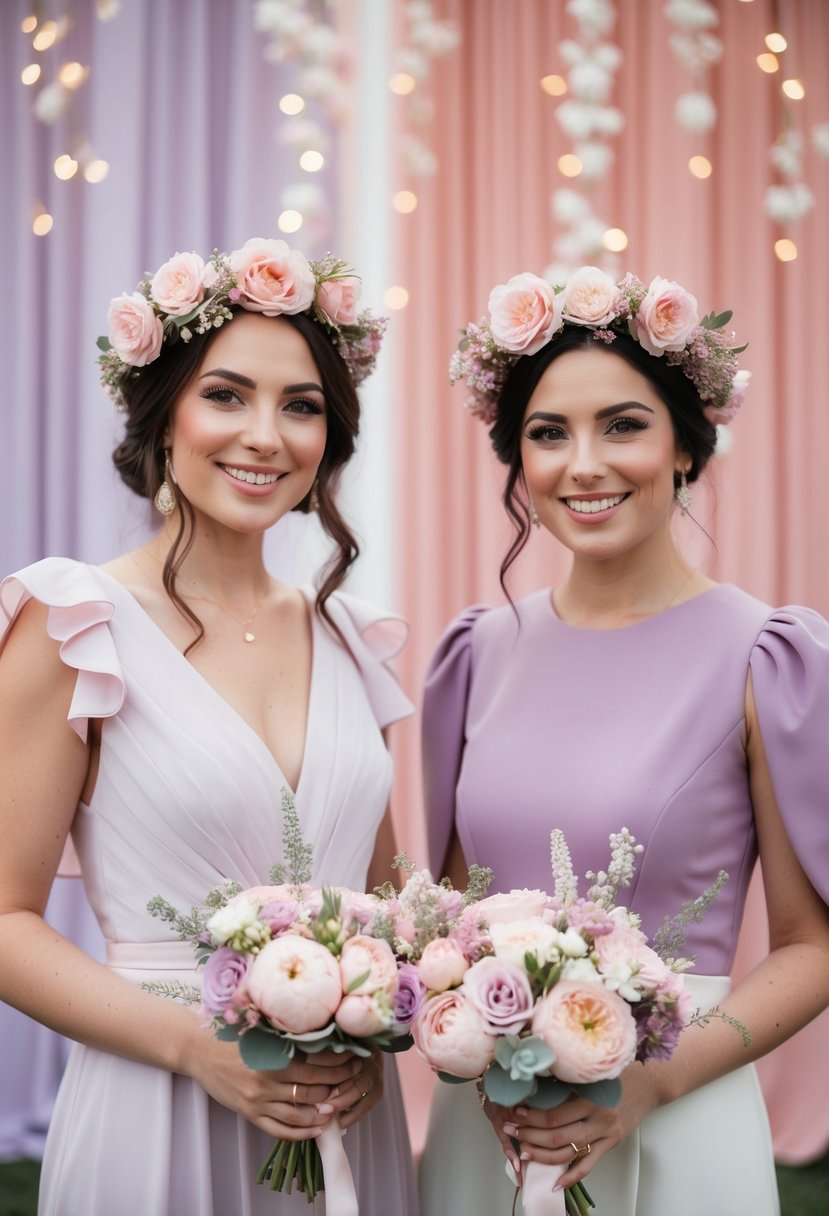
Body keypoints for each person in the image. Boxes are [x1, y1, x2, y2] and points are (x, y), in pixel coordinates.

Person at [0, 239, 418, 1215]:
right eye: (226, 395)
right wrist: (200, 1046)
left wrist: (380, 1021)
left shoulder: (351, 638)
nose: (266, 435)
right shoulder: (75, 623)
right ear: (163, 412)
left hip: (347, 1116)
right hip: (158, 1111)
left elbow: (389, 899)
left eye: (301, 405)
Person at [418, 265, 829, 1215]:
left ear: (688, 447)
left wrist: (651, 1079)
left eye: (623, 424)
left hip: (675, 1115)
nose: (583, 463)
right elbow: (438, 915)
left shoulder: (766, 656)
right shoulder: (472, 654)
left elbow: (811, 947)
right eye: (547, 433)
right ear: (517, 461)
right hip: (491, 1123)